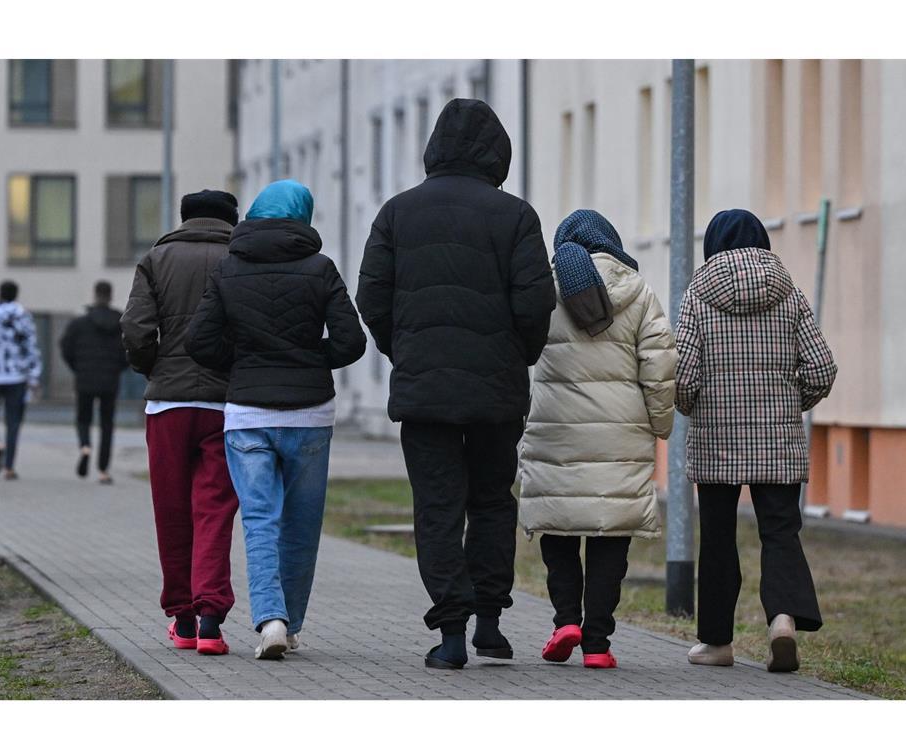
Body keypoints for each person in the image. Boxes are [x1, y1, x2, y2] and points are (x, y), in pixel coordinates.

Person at [357, 99, 556, 670]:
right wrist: (518, 356)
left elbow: (372, 297)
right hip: (496, 391)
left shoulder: (397, 213)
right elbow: (534, 301)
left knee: (438, 507)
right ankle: (490, 622)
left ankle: (450, 634)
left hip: (425, 394)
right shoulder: (516, 216)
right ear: (498, 152)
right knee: (492, 500)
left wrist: (408, 351)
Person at [187, 179, 366, 660]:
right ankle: (292, 622)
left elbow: (199, 343)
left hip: (247, 413)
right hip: (310, 414)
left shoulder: (228, 269)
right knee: (301, 525)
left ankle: (271, 619)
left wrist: (245, 363)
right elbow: (351, 342)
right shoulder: (321, 268)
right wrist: (310, 358)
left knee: (260, 521)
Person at [674, 209, 837, 673]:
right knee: (780, 530)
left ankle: (717, 642)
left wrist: (695, 408)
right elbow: (822, 368)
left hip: (717, 439)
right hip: (778, 438)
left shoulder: (697, 295)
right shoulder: (789, 293)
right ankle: (782, 618)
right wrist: (790, 404)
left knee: (719, 537)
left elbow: (681, 376)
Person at [518, 210, 676, 669]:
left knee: (559, 526)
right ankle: (597, 643)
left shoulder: (545, 290)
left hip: (555, 433)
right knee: (611, 538)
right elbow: (660, 365)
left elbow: (520, 348)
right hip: (620, 436)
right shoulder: (639, 292)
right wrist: (659, 426)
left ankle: (565, 620)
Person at [121, 190, 243, 656]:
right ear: (233, 219)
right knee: (213, 512)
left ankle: (184, 620)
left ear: (184, 218)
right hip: (225, 405)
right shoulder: (240, 256)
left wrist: (152, 367)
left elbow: (135, 328)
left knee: (172, 513)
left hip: (167, 405)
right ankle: (211, 621)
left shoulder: (156, 258)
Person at [60, 281, 129, 484]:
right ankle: (103, 470)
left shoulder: (80, 323)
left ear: (95, 294)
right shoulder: (120, 322)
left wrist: (77, 367)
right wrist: (118, 368)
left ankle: (85, 446)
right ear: (110, 295)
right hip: (110, 380)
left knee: (83, 418)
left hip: (85, 379)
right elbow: (130, 349)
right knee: (107, 424)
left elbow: (65, 348)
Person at [0, 280, 41, 480]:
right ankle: (9, 467)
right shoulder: (23, 316)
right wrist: (34, 375)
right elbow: (31, 346)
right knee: (13, 423)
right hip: (17, 376)